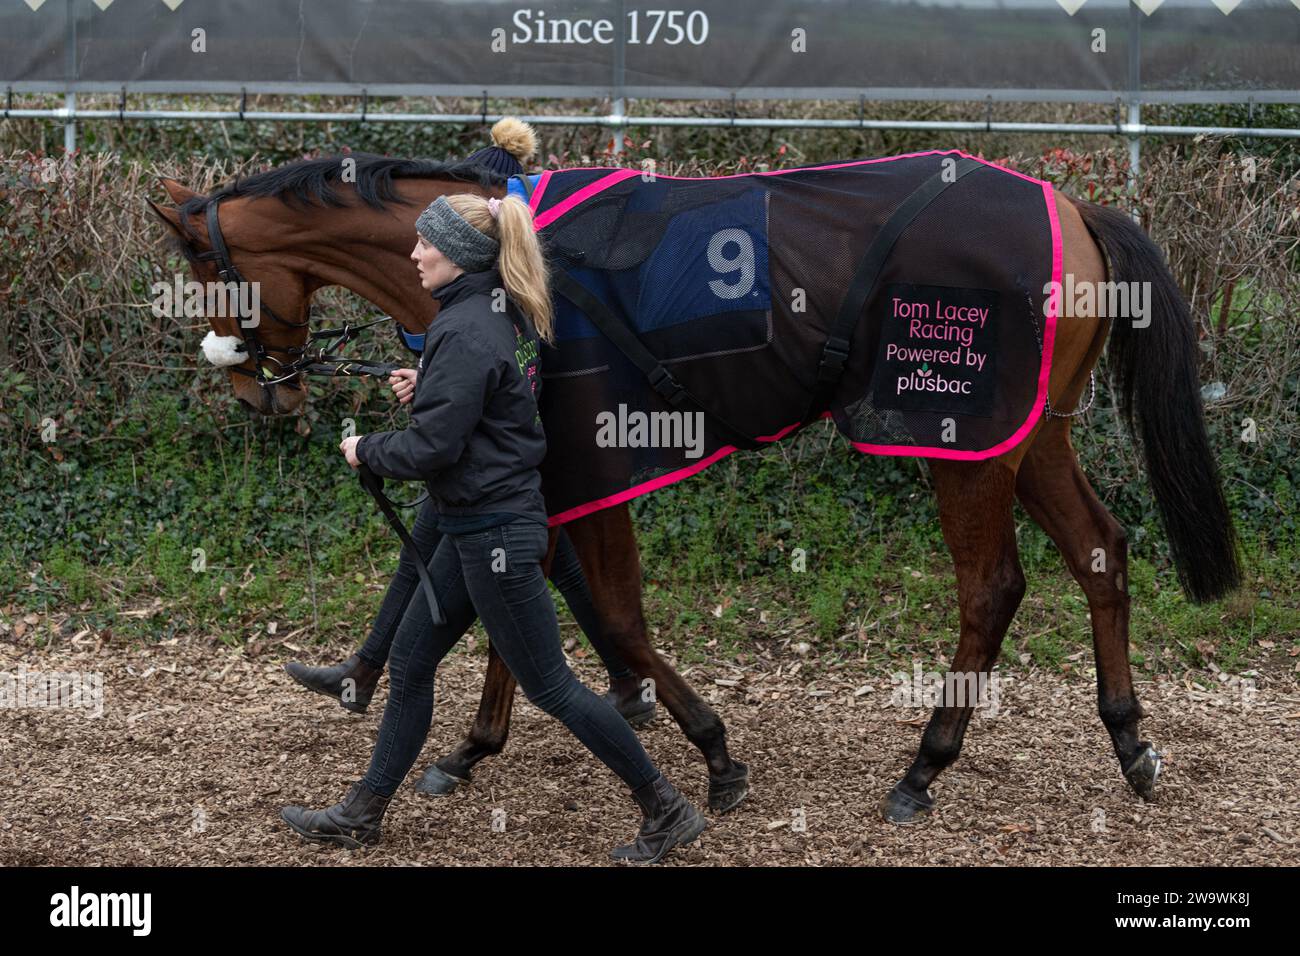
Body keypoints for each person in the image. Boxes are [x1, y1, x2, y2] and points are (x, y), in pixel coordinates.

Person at [279, 190, 706, 864]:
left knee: (552, 687)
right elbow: (496, 401)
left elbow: (431, 451)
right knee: (413, 662)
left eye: (427, 243)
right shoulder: (493, 313)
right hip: (473, 522)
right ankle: (362, 812)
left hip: (494, 533)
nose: (415, 253)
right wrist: (431, 386)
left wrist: (366, 450)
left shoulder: (464, 328)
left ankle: (664, 805)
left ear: (460, 254)